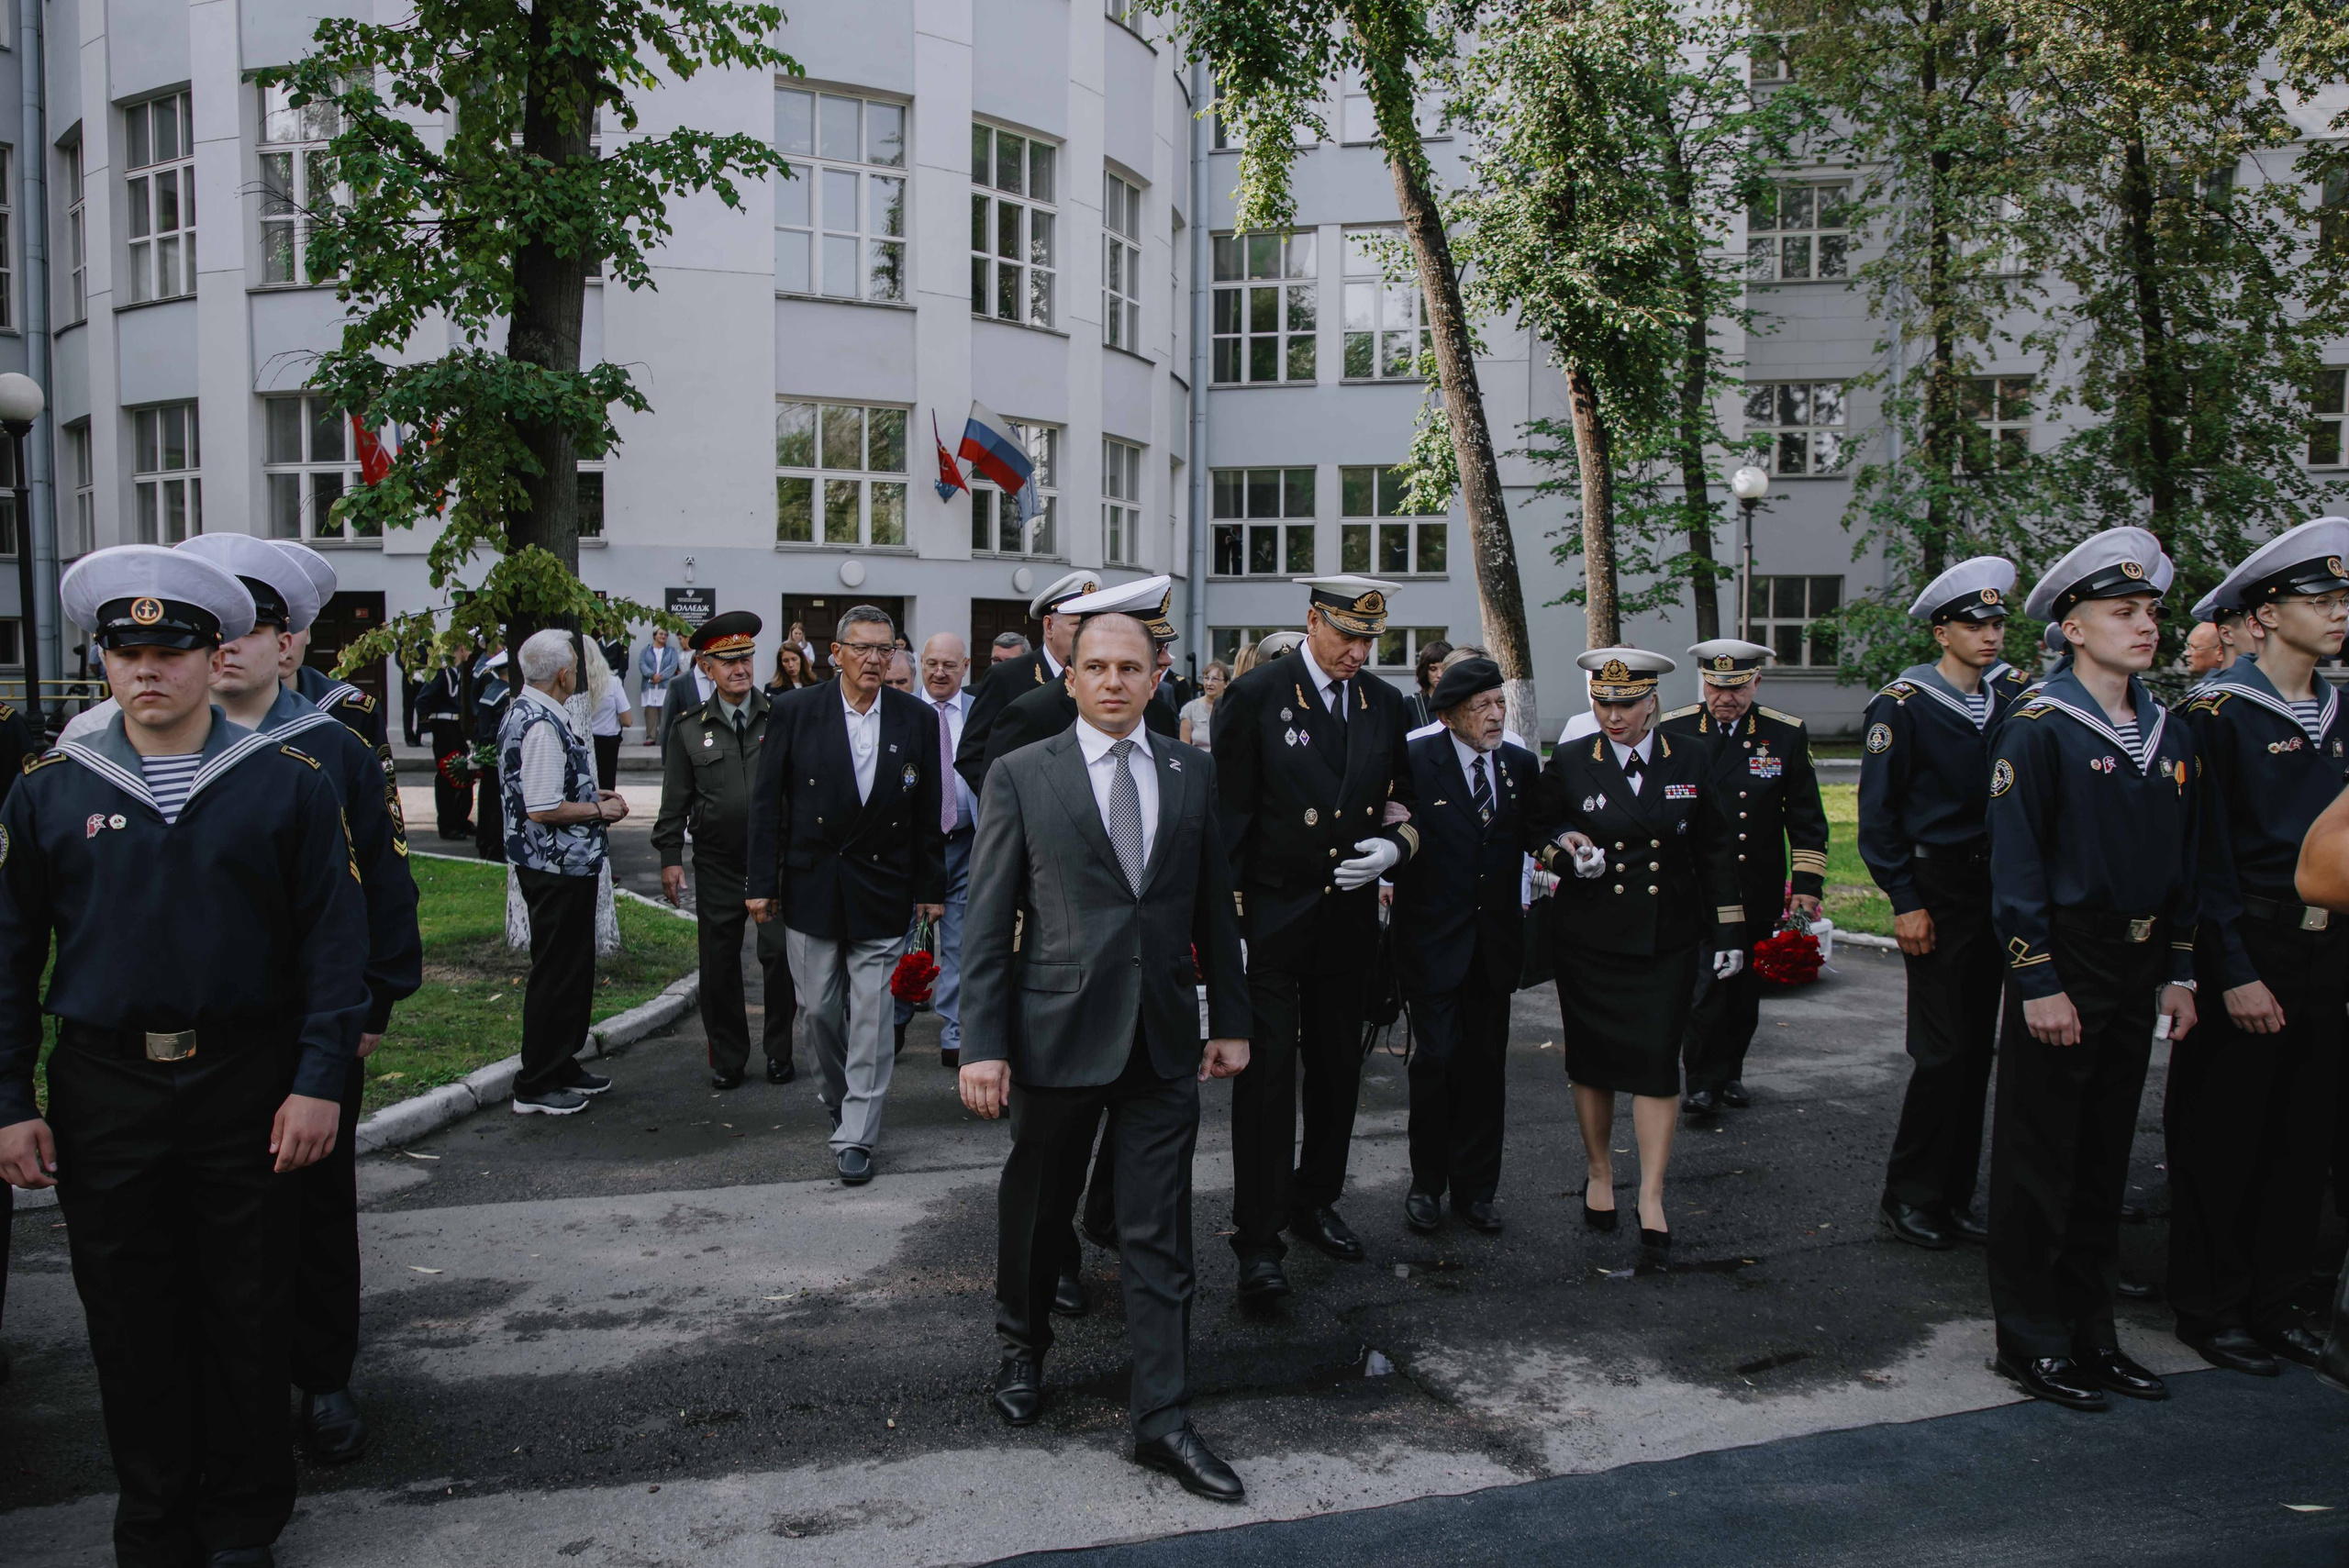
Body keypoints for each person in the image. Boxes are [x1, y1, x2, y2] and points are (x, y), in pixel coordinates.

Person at [0, 545, 370, 1568]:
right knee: (130, 1315)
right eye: (126, 650)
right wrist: (7, 1098)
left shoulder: (287, 784)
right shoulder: (48, 789)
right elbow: (9, 954)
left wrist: (317, 1079)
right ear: (105, 664)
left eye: (171, 648)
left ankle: (244, 1518)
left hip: (244, 1081)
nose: (146, 669)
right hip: (104, 1086)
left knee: (246, 1307)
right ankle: (154, 1520)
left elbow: (334, 947)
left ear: (217, 657)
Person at [958, 607, 1252, 1500]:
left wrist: (1229, 1018)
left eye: (1132, 666)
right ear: (1072, 677)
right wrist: (983, 1043)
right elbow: (987, 914)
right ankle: (1022, 1344)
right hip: (1056, 1034)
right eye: (1098, 666)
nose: (1116, 681)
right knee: (1041, 1209)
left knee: (1159, 1232)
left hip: (1162, 1039)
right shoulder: (1020, 774)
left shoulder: (1192, 772)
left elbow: (1214, 908)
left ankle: (1161, 1419)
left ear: (1157, 674)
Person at [178, 534, 422, 1467]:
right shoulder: (165, 746)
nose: (232, 645)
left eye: (254, 625)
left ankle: (321, 1373)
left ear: (289, 642)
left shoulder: (333, 745)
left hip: (309, 1019)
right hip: (202, 1023)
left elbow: (385, 885)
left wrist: (371, 1006)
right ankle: (224, 1376)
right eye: (217, 629)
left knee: (315, 1204)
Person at [1986, 526, 2199, 1412]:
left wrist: (2181, 968)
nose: (2145, 624)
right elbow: (2015, 863)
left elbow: (2189, 854)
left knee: (2106, 1154)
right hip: (2065, 958)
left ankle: (2092, 1330)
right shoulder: (2037, 727)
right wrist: (2037, 981)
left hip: (2137, 961)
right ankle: (2031, 1338)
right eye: (2124, 611)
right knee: (2042, 1157)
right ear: (2074, 627)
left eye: (2151, 609)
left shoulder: (2169, 727)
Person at [2170, 519, 2349, 1378]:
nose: (2339, 614)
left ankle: (2276, 1304)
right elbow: (2198, 857)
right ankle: (2211, 1303)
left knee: (2302, 1137)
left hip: (2330, 949)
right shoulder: (2213, 715)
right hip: (2250, 941)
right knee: (2227, 1136)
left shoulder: (2344, 706)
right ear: (2268, 615)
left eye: (2344, 599)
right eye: (2321, 601)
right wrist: (2229, 969)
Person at [1212, 576, 1419, 1299]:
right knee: (1266, 1084)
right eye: (1347, 637)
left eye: (1370, 640)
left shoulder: (1385, 703)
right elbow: (1227, 818)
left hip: (1348, 917)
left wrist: (1396, 848)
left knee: (1337, 1072)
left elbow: (1412, 797)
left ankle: (1315, 1199)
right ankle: (1259, 1235)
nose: (1359, 653)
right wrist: (1228, 926)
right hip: (1271, 915)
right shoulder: (1258, 695)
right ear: (1311, 622)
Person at [1536, 649, 1743, 1251]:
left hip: (1666, 937)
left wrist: (1728, 933)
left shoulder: (1692, 757)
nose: (1613, 714)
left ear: (1652, 701)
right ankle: (1600, 1172)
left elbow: (1717, 849)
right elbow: (1537, 828)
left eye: (1626, 702)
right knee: (1593, 1060)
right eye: (1603, 701)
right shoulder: (1574, 759)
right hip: (1590, 939)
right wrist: (1567, 847)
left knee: (1656, 1064)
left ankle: (1651, 1190)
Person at [745, 604, 946, 1184]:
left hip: (882, 886)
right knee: (818, 1013)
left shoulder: (914, 718)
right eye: (862, 648)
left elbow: (928, 812)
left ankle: (858, 1128)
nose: (874, 660)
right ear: (835, 654)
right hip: (812, 884)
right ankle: (839, 1097)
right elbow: (766, 805)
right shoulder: (794, 711)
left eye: (885, 650)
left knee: (874, 1017)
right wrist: (761, 883)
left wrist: (930, 887)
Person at [1857, 557, 2018, 1251]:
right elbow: (1877, 815)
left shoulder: (2007, 700)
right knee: (1943, 1051)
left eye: (1997, 622)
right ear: (1941, 632)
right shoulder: (1904, 704)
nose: (1990, 634)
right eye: (1974, 624)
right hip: (1937, 888)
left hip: (1995, 887)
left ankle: (1954, 1194)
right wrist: (1903, 898)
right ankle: (1910, 1194)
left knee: (1978, 1050)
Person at [1393, 657, 1547, 1235]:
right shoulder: (1415, 759)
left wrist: (1567, 847)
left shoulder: (1519, 765)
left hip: (1495, 946)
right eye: (1481, 706)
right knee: (1434, 1063)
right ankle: (1426, 1185)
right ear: (1451, 715)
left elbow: (1536, 832)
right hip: (1432, 943)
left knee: (1484, 1069)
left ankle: (1477, 1189)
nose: (1495, 715)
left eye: (1499, 703)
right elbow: (1393, 828)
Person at [1658, 639, 1827, 1115]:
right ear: (1704, 683)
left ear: (1756, 682)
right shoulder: (1675, 730)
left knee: (1744, 986)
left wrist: (1807, 887)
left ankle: (1732, 1071)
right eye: (1715, 687)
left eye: (1736, 688)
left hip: (1756, 882)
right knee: (1705, 981)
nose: (1724, 698)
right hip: (1695, 884)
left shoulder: (1784, 734)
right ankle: (1702, 1080)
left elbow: (1807, 817)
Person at [653, 612, 796, 1091]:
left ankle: (779, 1051)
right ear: (706, 666)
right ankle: (729, 1058)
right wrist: (670, 857)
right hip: (716, 862)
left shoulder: (780, 716)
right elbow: (675, 798)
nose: (740, 668)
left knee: (778, 957)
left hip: (773, 860)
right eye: (728, 661)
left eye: (746, 658)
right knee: (719, 962)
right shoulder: (688, 727)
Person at [501, 628, 630, 1116]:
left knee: (570, 969)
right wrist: (600, 813)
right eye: (574, 665)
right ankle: (536, 1081)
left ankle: (561, 1063)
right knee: (556, 973)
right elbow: (543, 806)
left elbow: (544, 789)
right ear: (563, 675)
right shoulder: (539, 723)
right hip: (554, 867)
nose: (576, 672)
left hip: (555, 864)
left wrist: (589, 796)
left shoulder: (531, 711)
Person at [894, 633, 976, 1069]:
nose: (939, 673)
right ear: (921, 666)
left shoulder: (981, 712)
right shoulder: (903, 712)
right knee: (907, 935)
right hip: (911, 844)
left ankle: (955, 1032)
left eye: (949, 664)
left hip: (967, 842)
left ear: (965, 666)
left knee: (962, 942)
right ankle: (895, 1019)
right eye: (931, 664)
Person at [956, 572, 1099, 801]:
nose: (1090, 636)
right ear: (1049, 626)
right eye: (1078, 626)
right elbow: (971, 756)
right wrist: (1012, 807)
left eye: (1094, 626)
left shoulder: (1099, 680)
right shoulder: (1007, 677)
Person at [270, 543, 391, 765]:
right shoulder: (209, 714)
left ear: (308, 632)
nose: (282, 643)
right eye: (262, 629)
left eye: (293, 625)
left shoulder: (351, 709)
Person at [413, 643, 474, 840]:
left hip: (453, 727)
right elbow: (422, 700)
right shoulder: (441, 672)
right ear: (462, 648)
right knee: (447, 776)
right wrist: (427, 729)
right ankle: (448, 825)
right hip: (443, 727)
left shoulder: (453, 670)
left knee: (465, 771)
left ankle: (460, 819)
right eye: (469, 646)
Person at [471, 639, 512, 862]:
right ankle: (495, 849)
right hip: (498, 755)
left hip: (487, 754)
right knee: (498, 805)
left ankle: (484, 842)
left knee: (486, 801)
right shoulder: (506, 695)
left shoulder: (491, 690)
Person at [588, 647, 633, 791]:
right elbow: (627, 720)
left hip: (584, 739)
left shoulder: (576, 683)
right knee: (606, 786)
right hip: (607, 742)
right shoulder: (613, 682)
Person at [639, 628, 681, 746]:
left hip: (665, 685)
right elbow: (642, 664)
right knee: (650, 712)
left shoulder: (671, 651)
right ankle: (650, 737)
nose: (664, 636)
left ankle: (665, 738)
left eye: (666, 635)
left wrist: (661, 676)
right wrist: (652, 675)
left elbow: (673, 666)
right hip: (650, 685)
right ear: (655, 635)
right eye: (661, 634)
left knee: (665, 713)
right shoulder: (646, 651)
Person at [1404, 639, 1453, 729]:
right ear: (1425, 670)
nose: (1439, 675)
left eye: (1444, 669)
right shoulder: (1411, 705)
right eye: (1433, 669)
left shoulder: (1459, 704)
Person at [1180, 662, 1228, 751]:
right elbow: (1184, 747)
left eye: (1215, 679)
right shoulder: (1189, 709)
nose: (1209, 683)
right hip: (1198, 761)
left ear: (1226, 683)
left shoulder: (1230, 709)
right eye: (1206, 678)